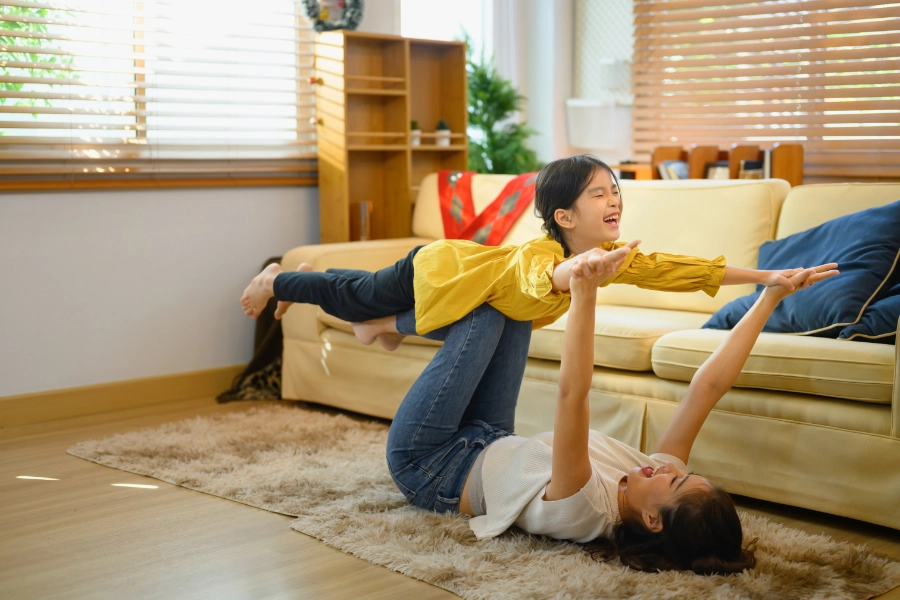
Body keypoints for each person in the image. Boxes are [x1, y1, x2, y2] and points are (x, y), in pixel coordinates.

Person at [361, 247, 838, 575]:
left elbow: (574, 394)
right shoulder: (653, 488)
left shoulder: (583, 507)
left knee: (486, 313)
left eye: (670, 480)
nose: (661, 466)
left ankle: (382, 323)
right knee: (515, 304)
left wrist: (585, 295)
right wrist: (770, 296)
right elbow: (706, 388)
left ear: (654, 521)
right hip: (490, 436)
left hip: (431, 463)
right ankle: (384, 325)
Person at [240, 155, 810, 345]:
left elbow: (682, 271)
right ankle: (280, 279)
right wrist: (584, 268)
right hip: (436, 270)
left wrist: (768, 276)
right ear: (565, 218)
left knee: (385, 312)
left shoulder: (607, 257)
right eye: (599, 196)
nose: (614, 202)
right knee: (353, 295)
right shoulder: (543, 256)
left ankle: (377, 327)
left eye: (617, 193)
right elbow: (552, 279)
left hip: (463, 300)